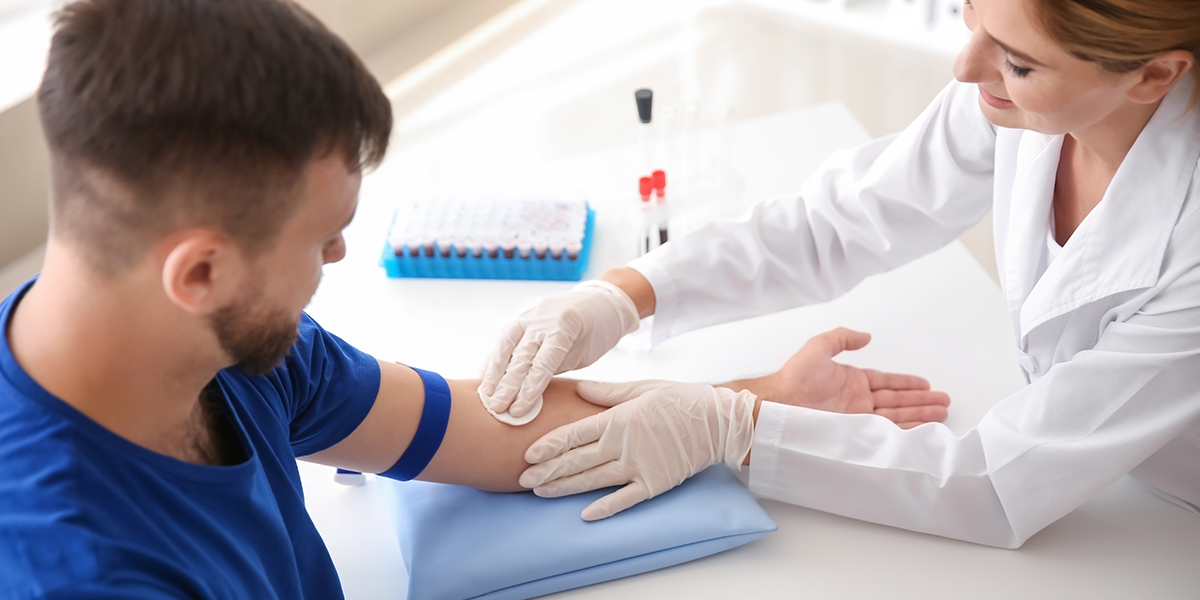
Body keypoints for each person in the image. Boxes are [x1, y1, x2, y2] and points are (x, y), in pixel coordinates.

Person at [0, 0, 949, 597]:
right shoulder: (78, 566)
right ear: (199, 272)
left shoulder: (227, 348)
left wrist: (751, 404)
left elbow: (482, 430)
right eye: (321, 236)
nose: (341, 253)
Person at [481, 0, 1200, 548]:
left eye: (1017, 62)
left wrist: (737, 425)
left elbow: (993, 483)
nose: (965, 68)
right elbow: (838, 222)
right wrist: (626, 293)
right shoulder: (1019, 93)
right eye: (966, 13)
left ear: (1157, 74)